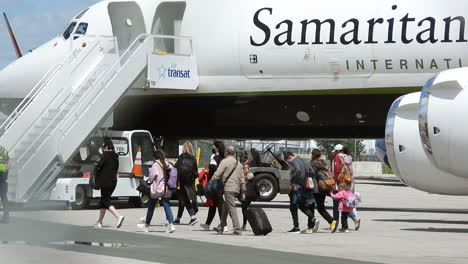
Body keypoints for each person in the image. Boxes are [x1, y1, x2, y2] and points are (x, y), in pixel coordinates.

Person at [137, 150, 176, 233]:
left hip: (158, 189)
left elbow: (152, 177)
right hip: (167, 188)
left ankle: (146, 226)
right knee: (166, 205)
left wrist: (148, 181)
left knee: (151, 206)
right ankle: (171, 225)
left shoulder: (156, 164)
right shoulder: (168, 163)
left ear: (155, 157)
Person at [209, 146, 245, 235]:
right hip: (236, 189)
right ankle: (221, 227)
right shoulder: (239, 164)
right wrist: (243, 191)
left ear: (226, 153)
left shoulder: (224, 161)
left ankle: (237, 229)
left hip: (228, 188)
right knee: (225, 206)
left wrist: (211, 184)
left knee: (231, 208)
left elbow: (217, 174)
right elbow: (242, 179)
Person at [285, 152, 319, 234]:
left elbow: (298, 170)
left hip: (297, 187)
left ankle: (296, 227)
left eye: (287, 160)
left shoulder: (294, 161)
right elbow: (312, 172)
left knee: (293, 206)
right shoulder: (304, 160)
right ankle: (313, 218)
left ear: (290, 157)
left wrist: (296, 183)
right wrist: (306, 180)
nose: (288, 162)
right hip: (305, 187)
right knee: (302, 204)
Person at [94, 138, 125, 229]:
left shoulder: (106, 155)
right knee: (104, 201)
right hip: (113, 181)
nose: (104, 149)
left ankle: (118, 216)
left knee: (105, 201)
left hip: (105, 182)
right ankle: (99, 222)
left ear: (107, 147)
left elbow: (99, 166)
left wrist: (97, 164)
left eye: (104, 148)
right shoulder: (116, 156)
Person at [200, 141, 226, 231]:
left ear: (217, 148)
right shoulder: (225, 157)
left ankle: (224, 225)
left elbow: (214, 170)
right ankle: (207, 224)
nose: (212, 147)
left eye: (214, 146)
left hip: (215, 182)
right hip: (223, 182)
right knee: (213, 204)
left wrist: (208, 172)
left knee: (218, 203)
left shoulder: (213, 157)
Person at [310, 149, 337, 233]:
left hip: (316, 189)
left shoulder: (313, 164)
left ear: (313, 155)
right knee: (320, 207)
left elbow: (310, 174)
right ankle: (331, 222)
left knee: (315, 207)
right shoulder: (323, 163)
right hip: (324, 187)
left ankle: (331, 222)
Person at [174, 142, 199, 226]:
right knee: (183, 200)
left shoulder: (181, 157)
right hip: (190, 182)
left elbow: (176, 168)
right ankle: (178, 218)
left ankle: (193, 217)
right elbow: (196, 174)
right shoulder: (193, 158)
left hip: (182, 182)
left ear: (184, 148)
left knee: (184, 200)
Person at [342, 147, 361, 231]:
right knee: (350, 205)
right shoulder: (350, 160)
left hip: (345, 186)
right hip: (351, 186)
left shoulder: (344, 162)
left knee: (344, 206)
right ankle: (354, 219)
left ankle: (354, 220)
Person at [241, 163, 256, 231]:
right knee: (246, 210)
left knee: (245, 211)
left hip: (245, 196)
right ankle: (245, 225)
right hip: (249, 196)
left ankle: (244, 225)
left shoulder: (243, 176)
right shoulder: (251, 175)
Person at [0, 145, 10, 223]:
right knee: (3, 196)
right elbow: (9, 164)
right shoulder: (4, 150)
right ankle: (6, 216)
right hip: (3, 175)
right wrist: (6, 173)